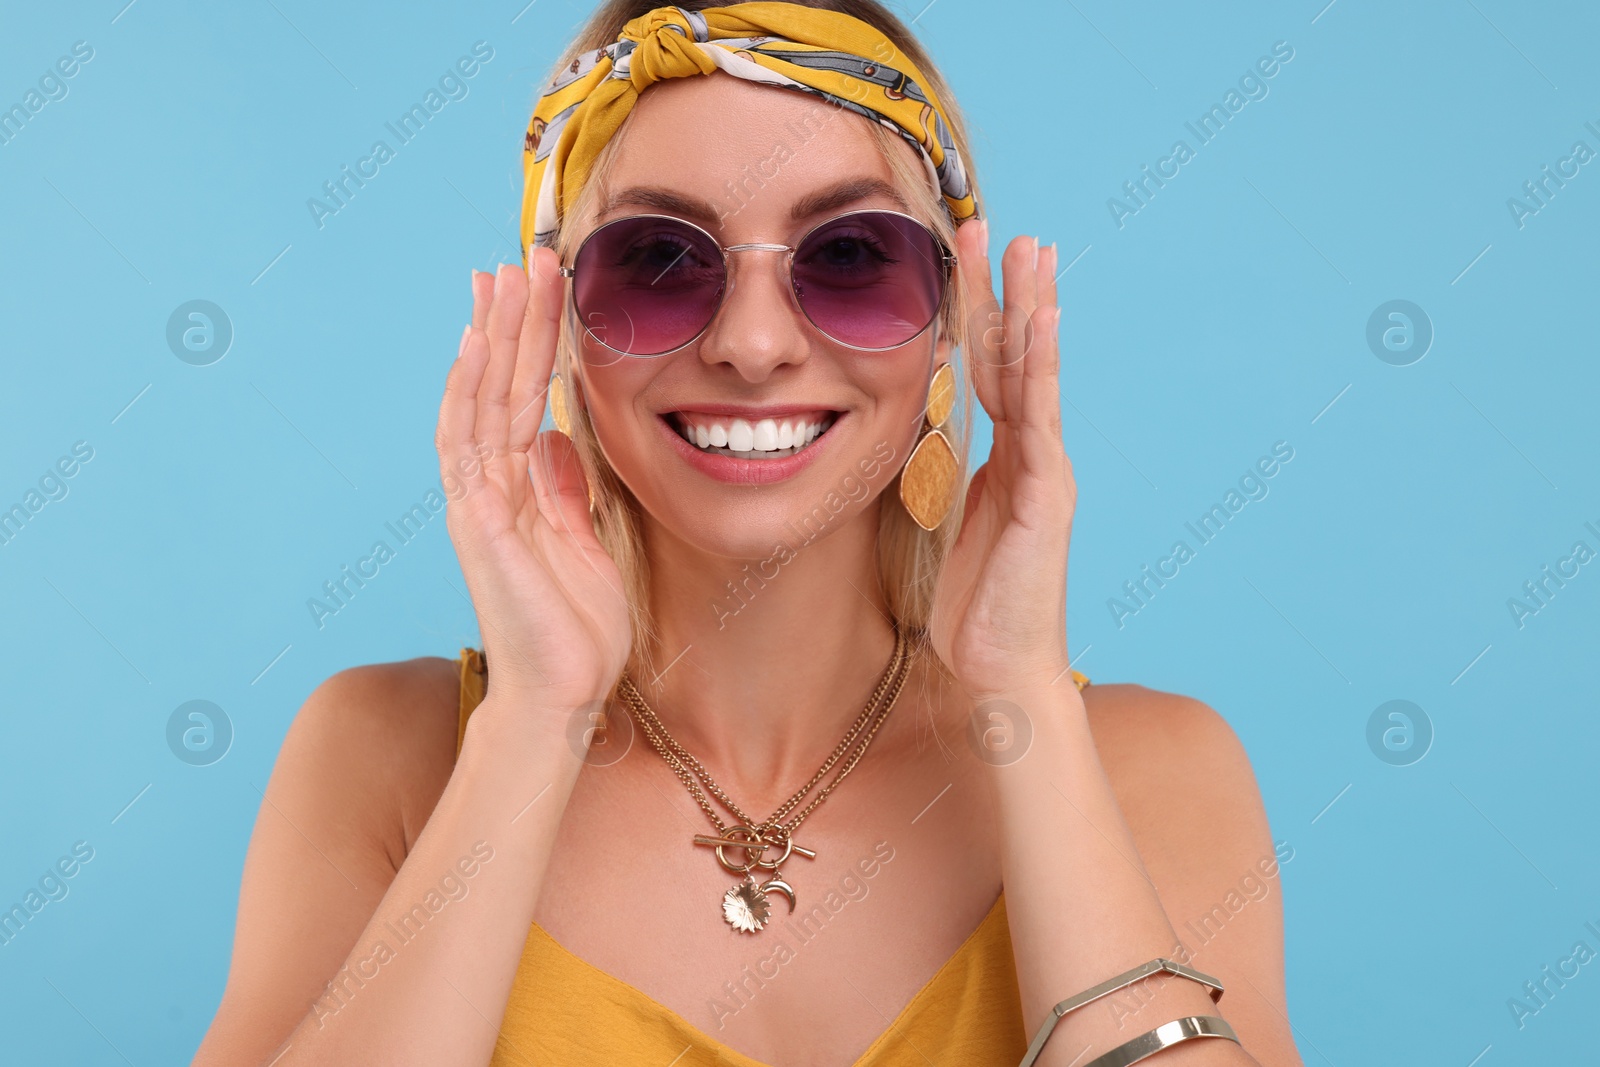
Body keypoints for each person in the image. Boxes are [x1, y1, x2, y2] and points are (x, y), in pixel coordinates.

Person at [194, 2, 1301, 1064]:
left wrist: (1021, 700)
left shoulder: (1151, 770)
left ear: (951, 320)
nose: (755, 343)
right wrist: (534, 722)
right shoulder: (386, 754)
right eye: (659, 263)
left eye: (853, 255)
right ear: (559, 330)